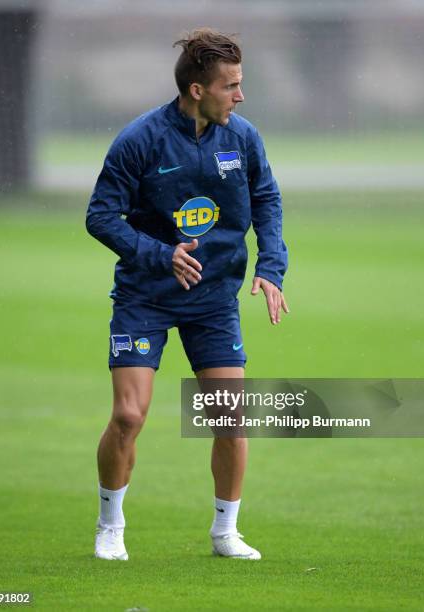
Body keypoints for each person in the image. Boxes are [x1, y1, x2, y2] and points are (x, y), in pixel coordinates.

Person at [86, 27, 288, 561]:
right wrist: (160, 254)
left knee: (229, 418)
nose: (239, 95)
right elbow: (100, 216)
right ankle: (111, 525)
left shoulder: (242, 137)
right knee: (130, 416)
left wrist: (271, 266)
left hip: (213, 297)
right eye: (230, 86)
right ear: (197, 89)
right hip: (145, 295)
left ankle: (225, 532)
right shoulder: (140, 140)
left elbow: (266, 199)